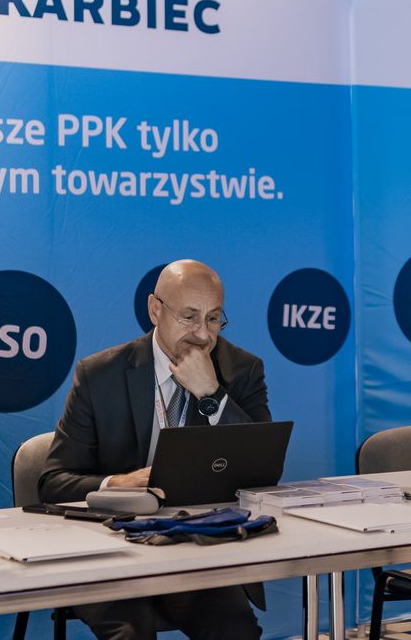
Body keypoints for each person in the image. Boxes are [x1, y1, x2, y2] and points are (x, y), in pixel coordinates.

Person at [40, 259, 270, 640]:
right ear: (155, 309)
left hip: (199, 550)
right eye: (189, 317)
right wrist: (117, 484)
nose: (203, 335)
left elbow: (262, 469)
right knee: (130, 634)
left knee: (237, 632)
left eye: (214, 319)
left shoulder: (241, 370)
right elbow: (53, 482)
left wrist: (212, 395)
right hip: (113, 550)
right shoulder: (99, 375)